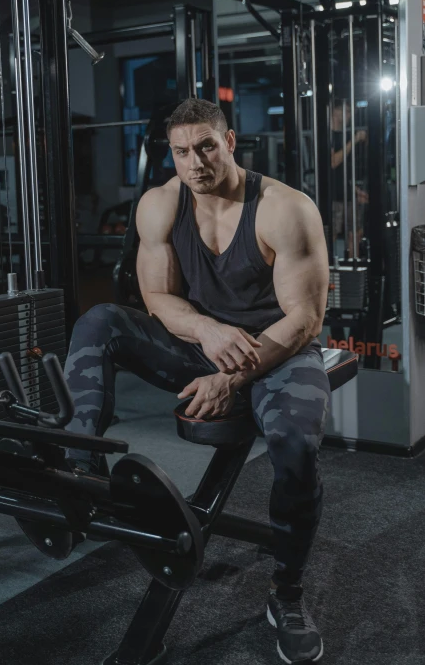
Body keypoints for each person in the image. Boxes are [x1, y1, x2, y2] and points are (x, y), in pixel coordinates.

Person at [64, 98, 330, 664]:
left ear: (230, 142)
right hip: (199, 347)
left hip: (277, 352)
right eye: (182, 151)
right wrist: (207, 332)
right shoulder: (160, 206)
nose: (195, 162)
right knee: (99, 322)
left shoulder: (284, 208)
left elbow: (305, 318)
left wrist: (231, 379)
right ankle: (80, 469)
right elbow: (157, 297)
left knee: (294, 444)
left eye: (206, 146)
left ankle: (288, 594)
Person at [330, 99, 368, 258]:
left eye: (351, 112)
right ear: (335, 111)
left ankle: (355, 268)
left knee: (356, 232)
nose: (350, 115)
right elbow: (333, 162)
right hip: (333, 196)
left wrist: (355, 190)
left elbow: (342, 173)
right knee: (331, 234)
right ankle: (328, 271)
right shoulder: (327, 134)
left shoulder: (342, 135)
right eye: (346, 111)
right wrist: (354, 140)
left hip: (347, 194)